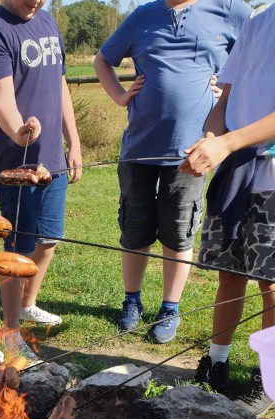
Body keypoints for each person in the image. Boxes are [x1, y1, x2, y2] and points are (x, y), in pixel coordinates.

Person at [94, 0, 251, 344]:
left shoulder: (229, 10)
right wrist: (121, 97)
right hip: (139, 150)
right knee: (135, 231)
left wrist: (227, 91)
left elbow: (255, 56)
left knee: (179, 232)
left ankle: (170, 307)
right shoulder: (142, 15)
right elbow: (102, 60)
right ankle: (131, 301)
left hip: (193, 151)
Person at [180, 3, 275, 416]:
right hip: (235, 166)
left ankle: (269, 377)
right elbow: (227, 96)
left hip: (270, 170)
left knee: (271, 282)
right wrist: (210, 140)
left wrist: (228, 143)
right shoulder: (257, 18)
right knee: (229, 270)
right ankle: (216, 363)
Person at [0, 0, 82, 359]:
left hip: (52, 155)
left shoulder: (48, 21)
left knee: (50, 237)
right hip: (18, 162)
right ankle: (10, 333)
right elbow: (2, 98)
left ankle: (27, 304)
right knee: (17, 250)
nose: (35, 2)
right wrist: (20, 133)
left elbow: (60, 84)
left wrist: (74, 140)